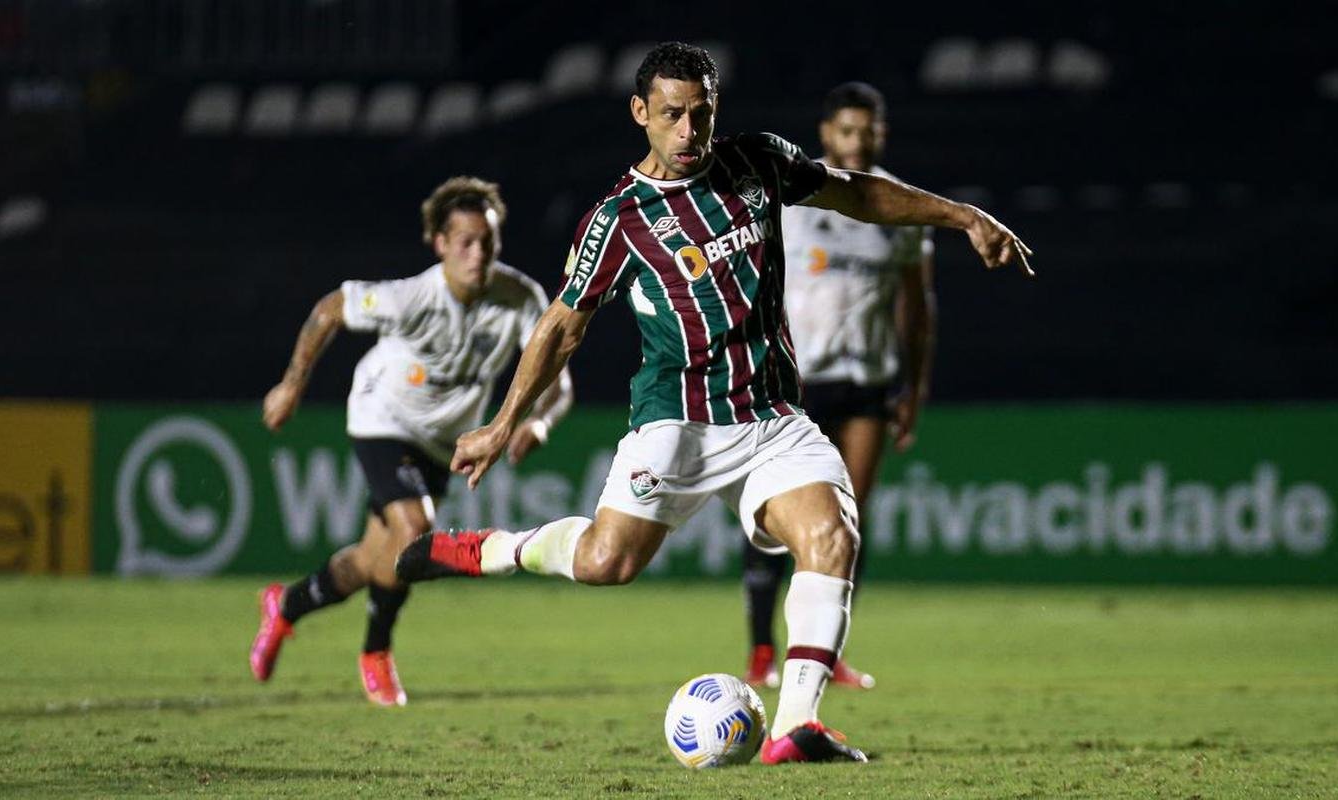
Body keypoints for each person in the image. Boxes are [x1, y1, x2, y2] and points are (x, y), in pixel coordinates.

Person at [395, 42, 1031, 762]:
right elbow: (564, 326)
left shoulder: (756, 161)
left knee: (834, 538)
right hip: (678, 424)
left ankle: (794, 728)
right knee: (608, 563)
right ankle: (491, 551)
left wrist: (961, 216)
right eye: (672, 116)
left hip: (771, 419)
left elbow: (853, 190)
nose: (689, 131)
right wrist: (503, 421)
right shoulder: (618, 219)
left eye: (701, 114)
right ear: (641, 114)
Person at [248, 176, 574, 706]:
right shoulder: (412, 297)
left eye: (487, 241)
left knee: (375, 561)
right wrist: (292, 383)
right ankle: (376, 653)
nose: (478, 254)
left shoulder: (519, 299)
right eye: (465, 242)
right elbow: (331, 308)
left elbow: (557, 384)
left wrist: (538, 424)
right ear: (440, 244)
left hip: (442, 445)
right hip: (382, 418)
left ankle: (284, 607)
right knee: (415, 527)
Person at [741, 82, 936, 692]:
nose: (856, 142)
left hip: (869, 382)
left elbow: (916, 306)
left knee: (848, 521)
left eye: (867, 132)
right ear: (826, 134)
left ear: (881, 134)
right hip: (798, 382)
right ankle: (762, 651)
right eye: (846, 131)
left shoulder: (895, 207)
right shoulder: (796, 201)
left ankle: (824, 653)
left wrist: (916, 384)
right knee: (777, 518)